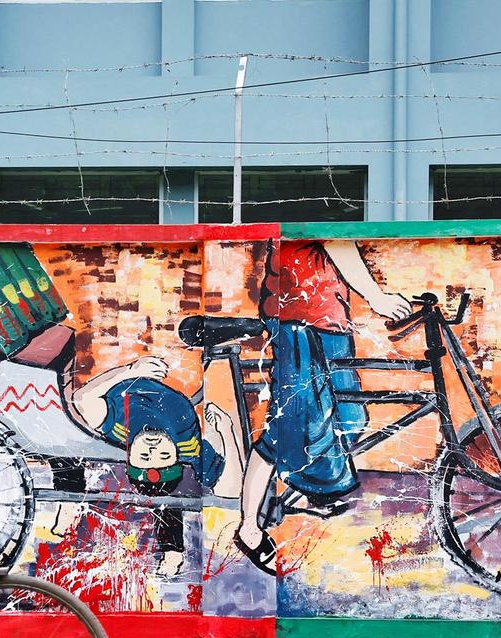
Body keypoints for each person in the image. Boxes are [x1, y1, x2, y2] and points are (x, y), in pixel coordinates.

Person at [235, 239, 411, 575]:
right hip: (296, 319)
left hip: (330, 319)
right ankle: (248, 527)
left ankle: (305, 491)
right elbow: (335, 240)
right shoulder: (318, 214)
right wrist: (377, 297)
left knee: (350, 416)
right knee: (291, 427)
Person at [60, 355, 244, 576]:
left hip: (127, 365)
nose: (153, 447)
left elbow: (80, 400)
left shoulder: (119, 428)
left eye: (144, 456)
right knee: (171, 495)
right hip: (185, 370)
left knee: (66, 441)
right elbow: (232, 489)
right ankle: (173, 552)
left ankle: (170, 553)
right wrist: (227, 430)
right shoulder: (188, 447)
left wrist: (131, 370)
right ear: (176, 457)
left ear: (129, 459)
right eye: (164, 454)